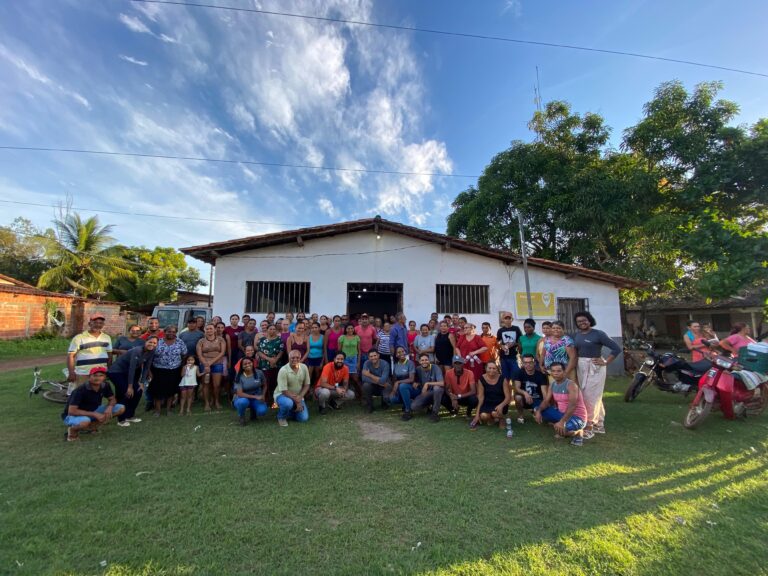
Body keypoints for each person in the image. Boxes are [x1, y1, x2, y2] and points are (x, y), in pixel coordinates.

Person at [573, 311, 622, 438]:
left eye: (584, 320)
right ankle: (599, 425)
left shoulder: (598, 334)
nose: (582, 323)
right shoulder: (577, 335)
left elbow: (616, 348)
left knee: (591, 397)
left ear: (590, 320)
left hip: (594, 366)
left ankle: (589, 426)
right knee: (590, 396)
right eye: (579, 321)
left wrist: (605, 361)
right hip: (581, 366)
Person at [62, 367, 125, 442]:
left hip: (93, 410)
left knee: (120, 408)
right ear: (89, 377)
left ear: (104, 377)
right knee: (85, 421)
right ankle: (72, 432)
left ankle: (92, 427)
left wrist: (110, 407)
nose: (98, 378)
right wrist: (95, 414)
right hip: (72, 415)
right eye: (95, 375)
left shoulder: (105, 386)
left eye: (101, 375)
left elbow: (112, 399)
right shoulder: (80, 390)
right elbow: (71, 411)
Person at [107, 335, 157, 426]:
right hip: (116, 372)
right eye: (150, 342)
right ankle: (121, 419)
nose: (152, 344)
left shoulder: (152, 352)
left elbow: (146, 367)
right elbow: (132, 368)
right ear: (145, 342)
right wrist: (130, 387)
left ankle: (130, 416)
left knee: (138, 391)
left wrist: (141, 382)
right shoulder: (137, 350)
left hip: (127, 373)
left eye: (154, 343)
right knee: (125, 392)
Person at [534, 362, 588, 447]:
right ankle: (558, 424)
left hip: (577, 417)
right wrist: (538, 411)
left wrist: (562, 422)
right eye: (553, 371)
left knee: (563, 431)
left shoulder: (571, 385)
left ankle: (579, 432)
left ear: (564, 372)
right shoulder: (553, 385)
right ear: (550, 372)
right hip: (561, 414)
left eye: (559, 371)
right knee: (538, 409)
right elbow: (546, 401)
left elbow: (572, 406)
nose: (556, 373)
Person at [67, 313, 113, 389]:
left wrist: (108, 370)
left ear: (103, 324)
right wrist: (71, 372)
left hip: (100, 373)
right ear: (89, 323)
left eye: (100, 323)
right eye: (95, 322)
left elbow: (109, 355)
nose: (98, 325)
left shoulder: (107, 337)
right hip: (83, 373)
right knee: (81, 395)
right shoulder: (79, 338)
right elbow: (71, 355)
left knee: (97, 394)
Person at [150, 326, 188, 416]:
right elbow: (150, 356)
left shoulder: (180, 342)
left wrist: (181, 366)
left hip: (174, 370)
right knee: (158, 391)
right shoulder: (158, 341)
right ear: (164, 332)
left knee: (171, 391)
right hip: (158, 370)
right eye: (169, 331)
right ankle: (157, 411)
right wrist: (149, 371)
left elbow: (184, 354)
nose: (171, 333)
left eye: (174, 332)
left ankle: (169, 410)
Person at [470, 362, 512, 438]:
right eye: (489, 368)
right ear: (486, 368)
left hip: (500, 403)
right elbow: (481, 397)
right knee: (483, 416)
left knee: (494, 413)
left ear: (497, 369)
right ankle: (492, 419)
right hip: (487, 403)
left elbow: (508, 397)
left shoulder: (502, 379)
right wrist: (476, 415)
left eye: (494, 368)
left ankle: (502, 419)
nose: (491, 370)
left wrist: (501, 405)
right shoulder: (481, 379)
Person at [196, 323, 227, 412]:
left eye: (211, 328)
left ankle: (216, 401)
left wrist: (210, 362)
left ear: (214, 330)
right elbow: (199, 354)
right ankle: (207, 403)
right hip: (205, 365)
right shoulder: (201, 341)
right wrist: (206, 364)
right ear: (205, 330)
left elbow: (222, 353)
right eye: (207, 329)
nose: (209, 330)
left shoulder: (221, 340)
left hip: (217, 364)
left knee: (216, 385)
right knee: (206, 384)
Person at [275, 350, 310, 426]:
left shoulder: (304, 367)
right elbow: (284, 391)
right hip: (282, 395)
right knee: (288, 403)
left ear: (300, 358)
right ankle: (281, 417)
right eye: (292, 358)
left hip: (298, 396)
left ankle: (290, 412)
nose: (295, 359)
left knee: (303, 418)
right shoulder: (283, 370)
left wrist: (300, 397)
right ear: (289, 358)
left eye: (297, 357)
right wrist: (297, 401)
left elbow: (307, 385)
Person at [513, 354, 548, 424]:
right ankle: (520, 416)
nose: (528, 365)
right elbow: (517, 388)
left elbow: (545, 394)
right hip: (525, 399)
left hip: (538, 399)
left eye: (530, 362)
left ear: (534, 363)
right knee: (518, 397)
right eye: (525, 363)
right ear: (523, 363)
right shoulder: (518, 373)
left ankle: (535, 410)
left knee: (544, 419)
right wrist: (525, 393)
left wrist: (543, 406)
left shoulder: (541, 375)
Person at [410, 352, 445, 422]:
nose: (424, 362)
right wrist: (415, 383)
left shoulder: (435, 367)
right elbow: (415, 380)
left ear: (429, 360)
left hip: (435, 392)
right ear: (419, 361)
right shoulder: (418, 369)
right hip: (425, 393)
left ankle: (435, 413)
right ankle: (428, 407)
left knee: (437, 388)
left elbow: (442, 383)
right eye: (422, 360)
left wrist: (427, 383)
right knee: (413, 406)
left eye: (426, 360)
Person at [233, 357, 268, 426]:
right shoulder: (239, 376)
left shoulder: (259, 372)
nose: (247, 365)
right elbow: (239, 394)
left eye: (249, 363)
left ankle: (253, 412)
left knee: (262, 411)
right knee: (242, 402)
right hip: (242, 398)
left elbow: (265, 385)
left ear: (253, 363)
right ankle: (241, 416)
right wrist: (255, 397)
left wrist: (263, 395)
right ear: (242, 366)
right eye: (245, 364)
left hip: (256, 397)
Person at [258, 323, 285, 405]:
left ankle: (275, 401)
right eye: (270, 329)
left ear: (276, 330)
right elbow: (259, 352)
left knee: (275, 382)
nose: (272, 331)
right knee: (266, 382)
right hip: (265, 364)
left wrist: (275, 360)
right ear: (267, 330)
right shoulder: (262, 339)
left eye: (274, 329)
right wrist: (269, 359)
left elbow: (281, 351)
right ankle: (266, 400)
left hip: (276, 364)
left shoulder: (279, 339)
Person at [387, 346, 417, 420]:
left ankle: (408, 410)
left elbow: (411, 379)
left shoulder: (410, 363)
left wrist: (398, 382)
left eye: (403, 351)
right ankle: (408, 402)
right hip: (400, 389)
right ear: (396, 355)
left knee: (402, 386)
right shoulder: (396, 365)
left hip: (411, 388)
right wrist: (394, 391)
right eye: (399, 352)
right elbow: (394, 380)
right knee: (392, 399)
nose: (401, 353)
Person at [496, 313, 523, 386]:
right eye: (506, 318)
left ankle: (517, 394)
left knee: (516, 377)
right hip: (503, 357)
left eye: (509, 318)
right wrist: (501, 346)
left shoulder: (516, 328)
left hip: (514, 357)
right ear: (503, 320)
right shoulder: (500, 330)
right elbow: (497, 341)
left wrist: (514, 344)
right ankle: (508, 395)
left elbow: (520, 340)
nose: (507, 320)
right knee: (506, 378)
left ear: (512, 319)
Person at [337, 323, 361, 399]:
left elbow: (359, 351)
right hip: (345, 359)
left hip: (354, 359)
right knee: (343, 378)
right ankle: (342, 395)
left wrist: (358, 362)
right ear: (345, 329)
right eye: (348, 328)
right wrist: (339, 361)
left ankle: (361, 396)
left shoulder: (357, 337)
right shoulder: (342, 337)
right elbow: (339, 351)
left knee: (355, 378)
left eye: (351, 328)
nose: (350, 330)